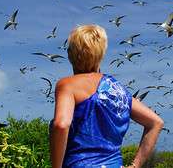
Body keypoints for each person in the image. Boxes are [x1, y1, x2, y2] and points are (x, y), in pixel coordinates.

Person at [50, 24, 164, 168]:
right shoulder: (118, 89)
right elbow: (155, 123)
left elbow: (61, 125)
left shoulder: (67, 84)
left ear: (71, 54)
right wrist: (135, 165)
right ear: (101, 54)